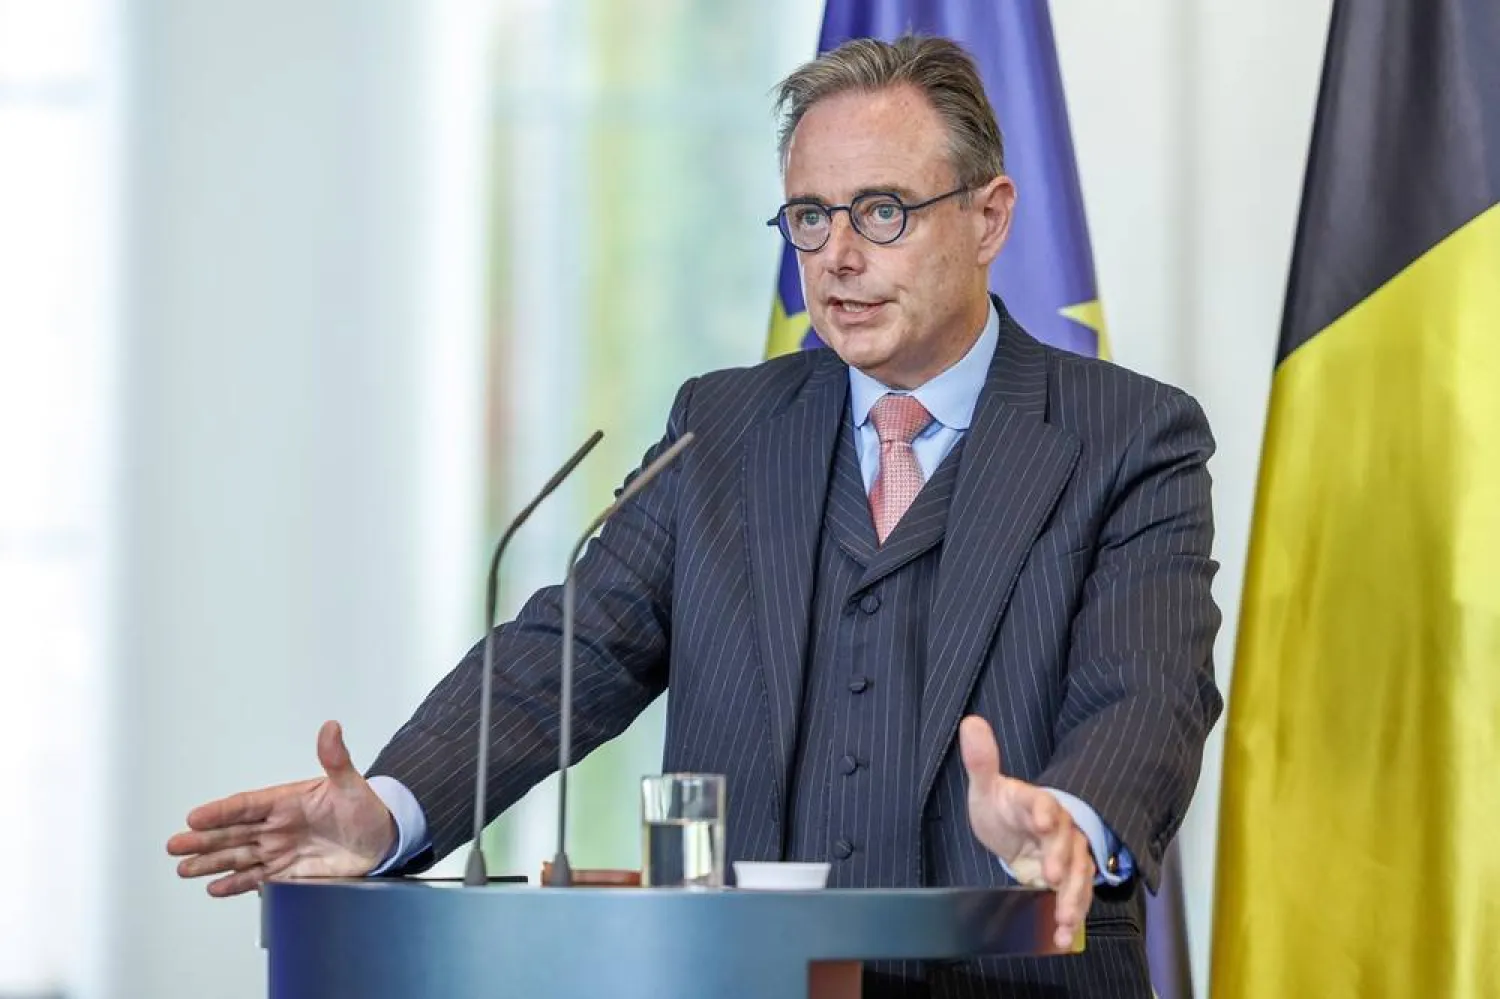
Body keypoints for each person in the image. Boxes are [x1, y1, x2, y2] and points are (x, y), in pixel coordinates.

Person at [168, 35, 1222, 998]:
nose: (840, 258)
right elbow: (566, 652)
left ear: (989, 216)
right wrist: (392, 806)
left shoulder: (1129, 436)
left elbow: (1151, 690)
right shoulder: (720, 427)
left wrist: (1069, 822)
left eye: (883, 211)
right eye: (810, 216)